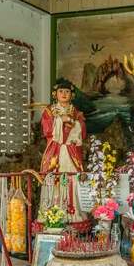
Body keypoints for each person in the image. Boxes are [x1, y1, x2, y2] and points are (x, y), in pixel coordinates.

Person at [40, 81, 88, 225]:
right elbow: (47, 129)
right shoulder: (49, 111)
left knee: (73, 180)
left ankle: (73, 214)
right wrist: (60, 120)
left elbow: (83, 132)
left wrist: (74, 123)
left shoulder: (76, 112)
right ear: (56, 94)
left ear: (71, 95)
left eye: (67, 92)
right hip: (55, 151)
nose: (64, 94)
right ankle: (51, 214)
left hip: (71, 150)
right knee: (52, 179)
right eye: (61, 91)